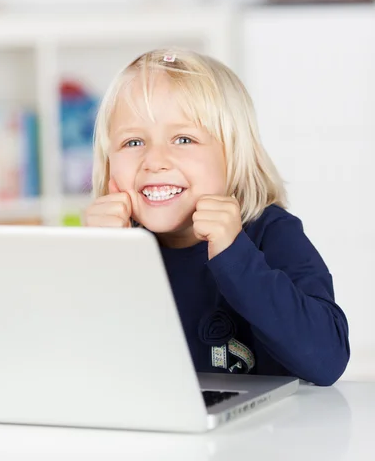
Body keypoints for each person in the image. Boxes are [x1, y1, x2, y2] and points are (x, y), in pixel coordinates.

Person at [84, 48, 349, 386]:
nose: (154, 161)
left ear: (234, 154)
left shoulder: (271, 232)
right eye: (134, 141)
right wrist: (97, 263)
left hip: (269, 434)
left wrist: (234, 255)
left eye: (183, 139)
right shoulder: (112, 247)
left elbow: (327, 360)